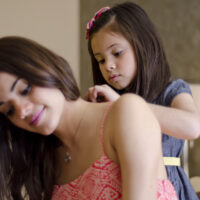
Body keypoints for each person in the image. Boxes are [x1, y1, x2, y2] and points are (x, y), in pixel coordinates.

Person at [0, 36, 178, 200]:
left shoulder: (126, 113)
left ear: (46, 67)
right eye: (9, 110)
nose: (22, 111)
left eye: (25, 90)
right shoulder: (46, 158)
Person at [85, 2, 200, 200]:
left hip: (167, 188)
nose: (109, 66)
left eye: (117, 53)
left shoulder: (171, 91)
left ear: (142, 45)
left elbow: (192, 126)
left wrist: (125, 105)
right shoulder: (104, 101)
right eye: (101, 60)